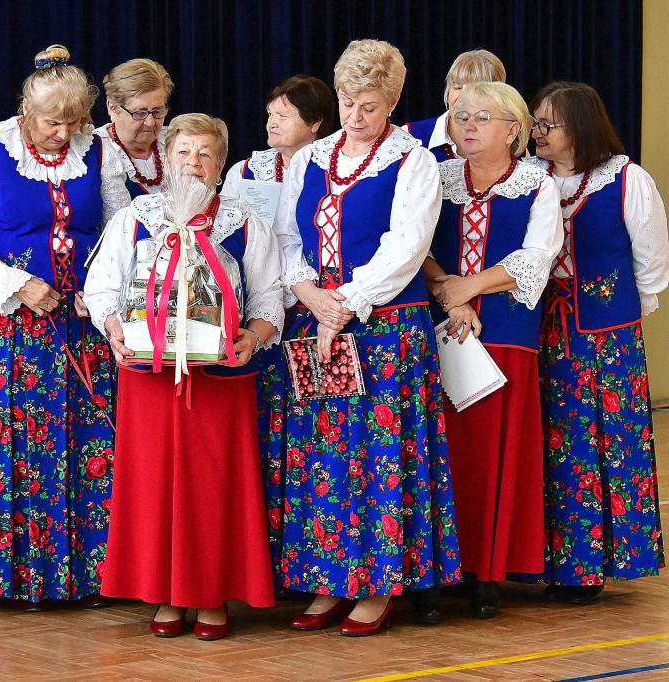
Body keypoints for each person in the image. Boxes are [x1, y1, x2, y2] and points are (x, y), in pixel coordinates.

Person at [273, 39, 460, 637]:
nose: (355, 117)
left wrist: (343, 306)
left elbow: (405, 249)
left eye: (369, 106)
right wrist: (308, 296)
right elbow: (285, 239)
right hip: (317, 319)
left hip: (384, 330)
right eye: (348, 103)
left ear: (394, 103)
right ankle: (327, 579)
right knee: (321, 456)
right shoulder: (312, 157)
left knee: (376, 460)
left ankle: (376, 586)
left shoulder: (414, 162)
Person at [0, 45, 128, 607]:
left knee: (90, 446)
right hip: (13, 333)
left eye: (73, 122)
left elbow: (123, 233)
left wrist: (101, 293)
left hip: (84, 327)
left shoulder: (98, 151)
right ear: (25, 109)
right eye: (52, 122)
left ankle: (94, 578)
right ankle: (7, 579)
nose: (62, 133)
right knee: (16, 448)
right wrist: (20, 285)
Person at [84, 113, 284, 641]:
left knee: (215, 488)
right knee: (152, 486)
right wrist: (115, 330)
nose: (193, 163)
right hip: (148, 378)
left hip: (222, 380)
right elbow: (102, 289)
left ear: (220, 167)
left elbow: (269, 298)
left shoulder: (245, 223)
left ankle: (211, 594)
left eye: (205, 155)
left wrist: (254, 336)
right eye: (183, 152)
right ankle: (165, 594)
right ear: (166, 159)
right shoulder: (136, 216)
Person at [424, 81, 562, 619]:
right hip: (437, 328)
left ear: (514, 129)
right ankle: (435, 570)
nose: (469, 125)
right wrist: (447, 291)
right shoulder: (435, 177)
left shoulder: (535, 183)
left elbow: (536, 256)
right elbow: (418, 244)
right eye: (460, 116)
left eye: (483, 117)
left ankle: (486, 572)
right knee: (442, 453)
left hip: (505, 333)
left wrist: (470, 286)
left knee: (492, 454)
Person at [527, 81, 666, 605]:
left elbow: (652, 261)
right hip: (540, 331)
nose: (537, 133)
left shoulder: (627, 180)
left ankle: (591, 566)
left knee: (604, 444)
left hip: (605, 340)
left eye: (548, 124)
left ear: (580, 127)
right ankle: (545, 559)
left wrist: (621, 314)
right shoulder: (528, 179)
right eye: (535, 122)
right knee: (551, 441)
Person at [219, 74, 335, 587]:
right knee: (263, 435)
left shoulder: (335, 167)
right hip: (260, 318)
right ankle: (260, 558)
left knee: (308, 436)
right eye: (270, 112)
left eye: (285, 115)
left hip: (314, 310)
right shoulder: (246, 169)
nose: (272, 122)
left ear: (315, 124)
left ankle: (307, 556)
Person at [404, 49, 506, 162]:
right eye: (457, 88)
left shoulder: (509, 141)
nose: (463, 98)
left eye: (475, 90)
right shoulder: (410, 135)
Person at [95, 58, 174, 198]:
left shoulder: (174, 141)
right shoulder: (95, 150)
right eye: (140, 113)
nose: (150, 123)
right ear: (112, 108)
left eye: (158, 111)